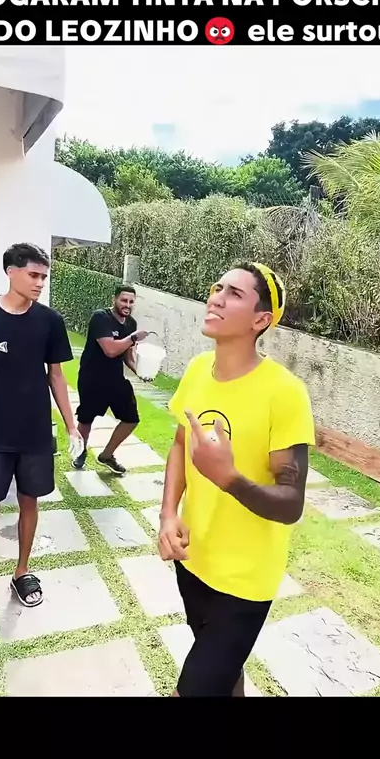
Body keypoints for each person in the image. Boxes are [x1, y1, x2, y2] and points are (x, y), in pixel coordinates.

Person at [158, 261, 315, 697]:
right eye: (217, 287)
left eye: (234, 294)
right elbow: (179, 444)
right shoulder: (196, 370)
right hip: (195, 560)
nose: (217, 298)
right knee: (224, 676)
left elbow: (291, 502)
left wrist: (229, 478)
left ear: (260, 320)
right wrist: (168, 514)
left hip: (244, 581)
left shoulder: (284, 392)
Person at [0, 242, 83, 618]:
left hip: (35, 433)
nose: (40, 283)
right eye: (34, 275)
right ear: (11, 272)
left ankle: (22, 572)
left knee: (30, 501)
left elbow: (56, 376)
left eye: (44, 276)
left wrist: (71, 425)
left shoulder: (50, 321)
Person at [72, 285, 149, 474]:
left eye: (131, 302)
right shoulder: (101, 318)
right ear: (114, 300)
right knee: (86, 419)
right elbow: (110, 350)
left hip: (115, 379)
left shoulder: (130, 323)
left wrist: (141, 371)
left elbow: (127, 356)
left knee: (131, 418)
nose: (127, 305)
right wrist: (133, 338)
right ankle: (80, 452)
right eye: (124, 300)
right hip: (92, 378)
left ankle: (107, 455)